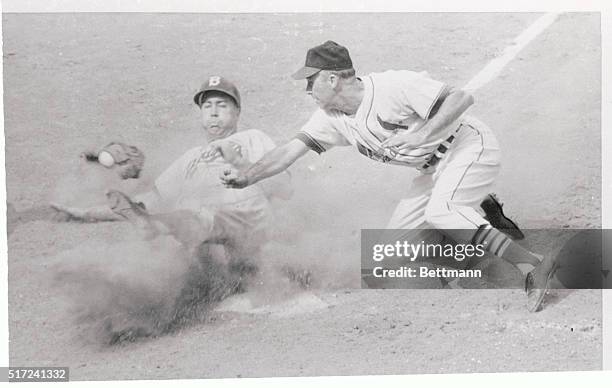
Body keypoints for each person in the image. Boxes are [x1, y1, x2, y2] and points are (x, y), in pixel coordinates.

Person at [220, 41, 557, 312]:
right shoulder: (330, 117)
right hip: (434, 171)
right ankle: (482, 219)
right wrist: (246, 176)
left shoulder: (392, 86)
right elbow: (287, 151)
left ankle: (531, 264)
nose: (307, 89)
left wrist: (422, 134)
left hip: (468, 146)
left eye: (311, 81)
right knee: (387, 257)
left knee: (442, 211)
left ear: (332, 78)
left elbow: (461, 98)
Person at [52, 76, 292, 259]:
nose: (214, 113)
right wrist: (84, 213)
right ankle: (154, 226)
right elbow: (149, 201)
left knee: (201, 214)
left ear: (237, 111)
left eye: (222, 105)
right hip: (214, 233)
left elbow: (286, 189)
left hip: (256, 225)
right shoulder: (191, 158)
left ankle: (157, 226)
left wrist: (240, 162)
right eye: (207, 107)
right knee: (185, 214)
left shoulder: (253, 138)